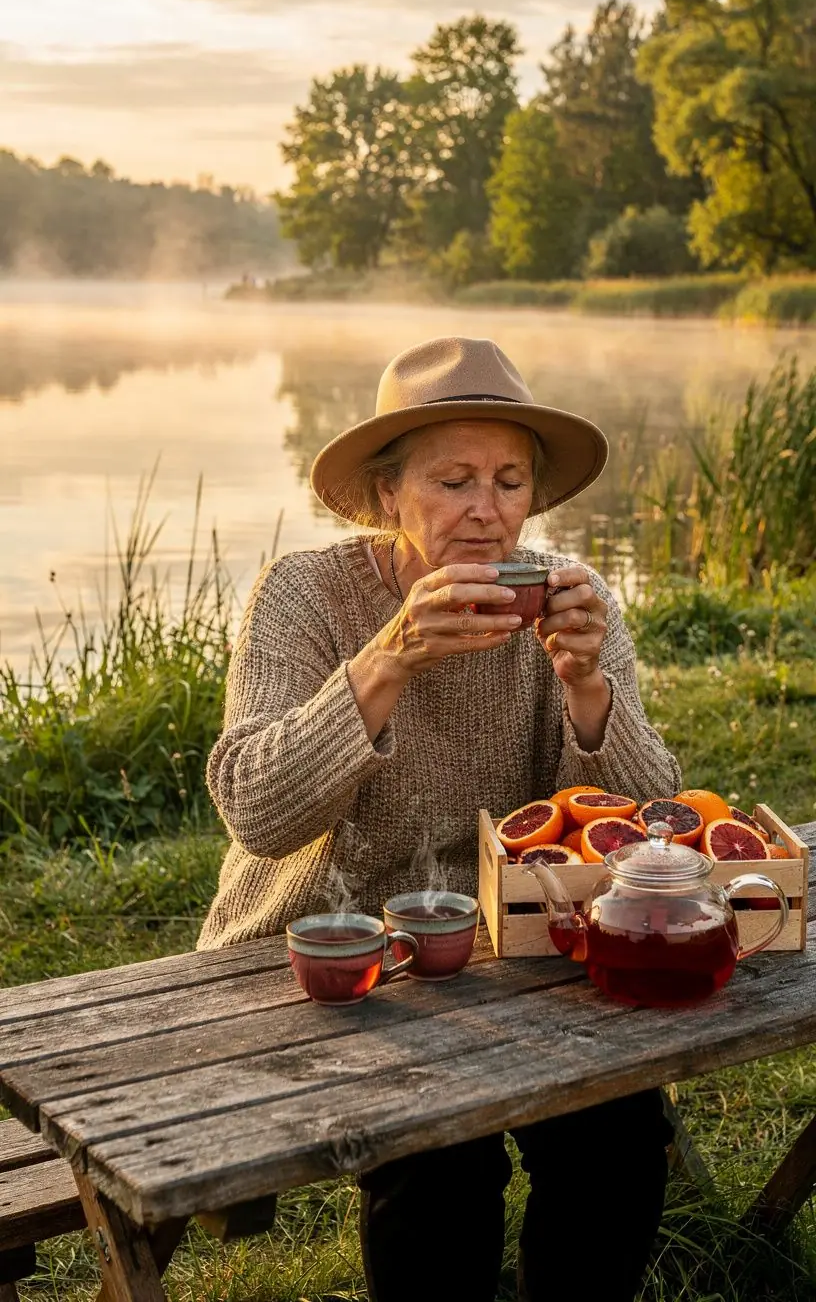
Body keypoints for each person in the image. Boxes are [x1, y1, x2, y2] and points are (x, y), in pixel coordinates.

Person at [200, 335, 680, 1302]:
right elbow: (258, 810)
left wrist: (588, 689)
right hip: (332, 949)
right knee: (442, 1159)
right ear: (388, 495)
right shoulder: (306, 594)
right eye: (452, 479)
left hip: (521, 941)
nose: (485, 509)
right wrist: (390, 658)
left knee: (622, 1137)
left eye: (509, 481)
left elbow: (650, 824)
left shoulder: (569, 597)